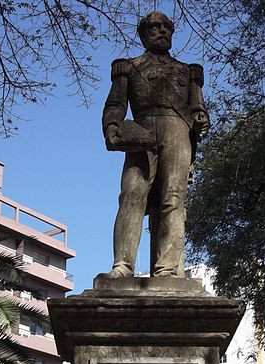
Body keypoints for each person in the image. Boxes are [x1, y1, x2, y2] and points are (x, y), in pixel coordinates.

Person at [98, 11, 209, 279]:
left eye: (167, 27)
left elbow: (198, 107)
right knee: (132, 194)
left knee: (173, 198)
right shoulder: (129, 67)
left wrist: (201, 118)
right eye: (154, 26)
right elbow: (115, 104)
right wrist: (112, 126)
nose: (162, 31)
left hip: (177, 131)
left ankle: (167, 269)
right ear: (143, 33)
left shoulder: (188, 71)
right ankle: (123, 266)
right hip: (141, 131)